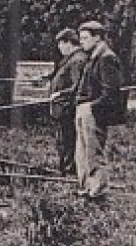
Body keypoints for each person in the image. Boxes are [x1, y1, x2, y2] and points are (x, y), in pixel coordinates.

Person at [72, 20, 125, 199]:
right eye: (81, 38)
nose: (81, 42)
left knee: (93, 152)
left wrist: (91, 107)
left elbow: (111, 92)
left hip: (93, 112)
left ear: (97, 38)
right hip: (84, 109)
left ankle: (98, 191)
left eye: (85, 38)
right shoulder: (93, 55)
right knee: (82, 152)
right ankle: (86, 187)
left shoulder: (106, 57)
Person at [47, 28, 87, 177]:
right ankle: (65, 169)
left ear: (69, 43)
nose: (59, 48)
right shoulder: (71, 59)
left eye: (61, 44)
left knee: (68, 140)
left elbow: (77, 86)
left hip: (68, 108)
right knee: (64, 140)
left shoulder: (77, 60)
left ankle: (69, 171)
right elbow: (63, 77)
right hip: (63, 108)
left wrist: (59, 93)